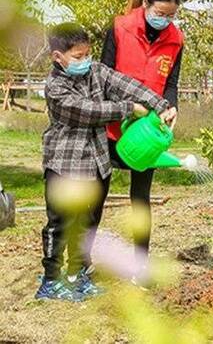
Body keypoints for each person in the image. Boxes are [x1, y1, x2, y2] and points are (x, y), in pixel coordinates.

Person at [36, 23, 172, 301]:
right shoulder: (55, 87)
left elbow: (126, 84)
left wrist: (160, 105)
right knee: (59, 223)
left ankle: (77, 275)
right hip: (64, 164)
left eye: (87, 54)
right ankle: (50, 280)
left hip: (96, 162)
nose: (84, 61)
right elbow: (88, 111)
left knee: (86, 222)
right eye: (77, 57)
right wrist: (127, 108)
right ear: (57, 57)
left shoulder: (96, 71)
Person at [99, 0, 182, 283]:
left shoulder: (176, 39)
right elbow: (103, 76)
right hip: (112, 127)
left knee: (141, 199)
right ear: (146, 4)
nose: (165, 21)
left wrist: (170, 106)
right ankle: (79, 265)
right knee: (96, 195)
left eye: (171, 15)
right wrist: (125, 108)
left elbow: (171, 83)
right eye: (161, 13)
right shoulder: (120, 28)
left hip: (147, 132)